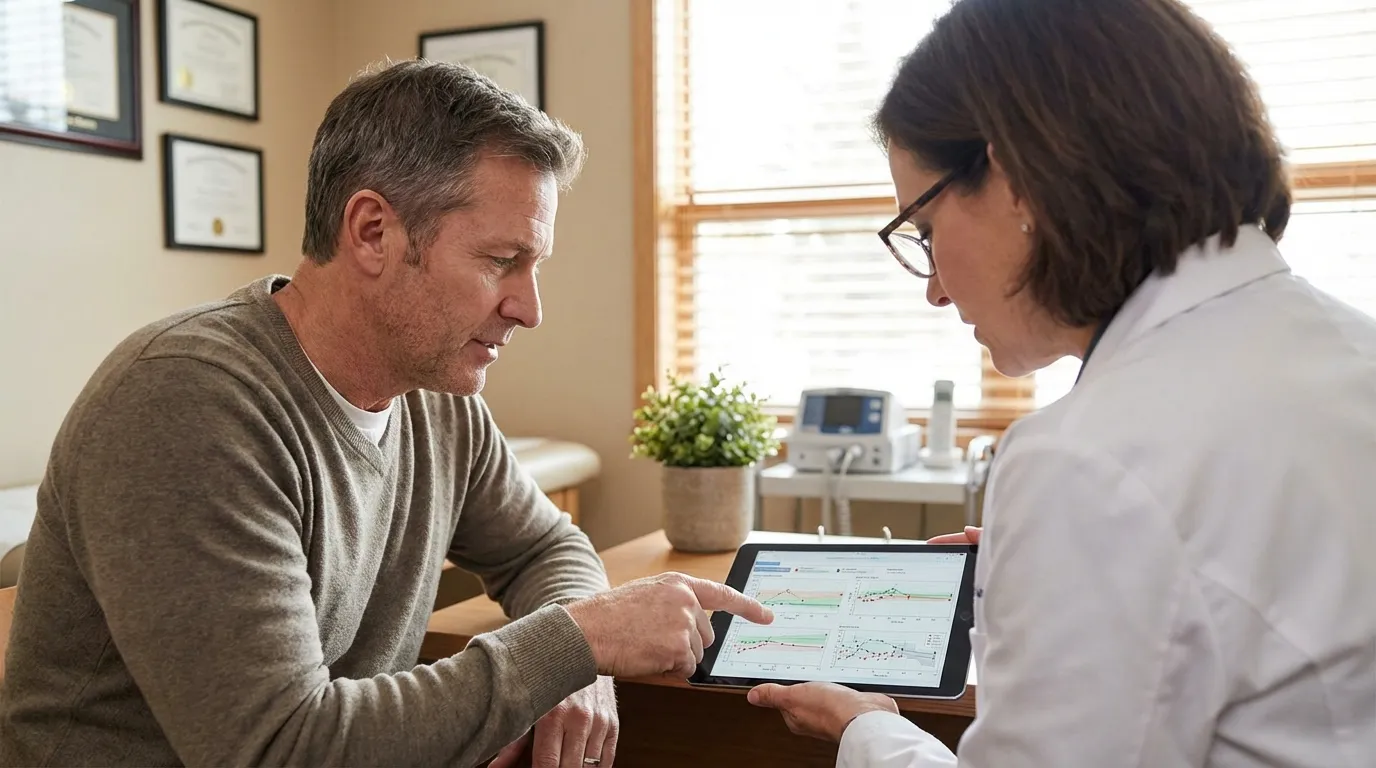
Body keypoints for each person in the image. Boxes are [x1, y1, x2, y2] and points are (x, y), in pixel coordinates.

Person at [0, 59, 772, 768]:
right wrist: (578, 642)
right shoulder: (188, 401)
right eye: (502, 261)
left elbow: (544, 545)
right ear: (373, 232)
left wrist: (574, 665)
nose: (529, 308)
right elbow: (280, 748)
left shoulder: (435, 399)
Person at [747, 0, 1376, 765]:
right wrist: (1044, 574)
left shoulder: (1085, 462)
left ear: (1014, 180)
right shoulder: (1347, 350)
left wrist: (867, 727)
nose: (935, 289)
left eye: (922, 230)